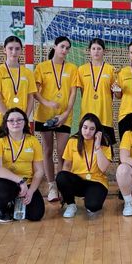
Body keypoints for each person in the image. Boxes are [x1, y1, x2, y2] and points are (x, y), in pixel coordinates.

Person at [34, 36, 78, 203]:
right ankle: (51, 186)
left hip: (64, 116)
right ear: (55, 47)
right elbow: (34, 91)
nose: (64, 50)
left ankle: (61, 185)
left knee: (62, 153)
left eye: (67, 48)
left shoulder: (72, 68)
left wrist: (66, 113)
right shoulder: (42, 67)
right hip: (44, 115)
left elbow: (73, 94)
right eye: (62, 47)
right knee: (47, 150)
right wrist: (46, 102)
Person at [0, 108, 45, 223]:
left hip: (26, 183)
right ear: (6, 123)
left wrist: (31, 191)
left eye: (19, 120)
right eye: (11, 120)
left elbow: (39, 171)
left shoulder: (33, 141)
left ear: (25, 122)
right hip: (3, 181)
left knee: (36, 215)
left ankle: (14, 204)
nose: (15, 123)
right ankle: (3, 208)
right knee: (4, 192)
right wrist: (20, 181)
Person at [56, 113, 112, 218]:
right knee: (61, 176)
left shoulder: (104, 143)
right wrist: (64, 189)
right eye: (85, 127)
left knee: (93, 206)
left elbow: (103, 168)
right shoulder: (73, 141)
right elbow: (67, 165)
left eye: (92, 129)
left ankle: (90, 197)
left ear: (97, 130)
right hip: (78, 181)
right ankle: (71, 205)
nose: (87, 132)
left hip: (97, 182)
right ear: (81, 127)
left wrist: (97, 146)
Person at [0, 35, 37, 132]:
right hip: (2, 120)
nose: (14, 52)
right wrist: (9, 118)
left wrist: (24, 118)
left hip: (21, 122)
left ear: (21, 51)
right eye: (10, 48)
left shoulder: (27, 73)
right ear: (4, 50)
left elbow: (30, 97)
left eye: (17, 49)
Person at [76, 38, 117, 146]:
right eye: (93, 48)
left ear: (104, 51)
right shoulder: (81, 69)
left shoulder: (111, 69)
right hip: (87, 114)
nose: (96, 51)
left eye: (99, 48)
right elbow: (82, 92)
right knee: (86, 149)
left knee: (105, 148)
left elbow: (116, 93)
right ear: (89, 51)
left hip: (105, 115)